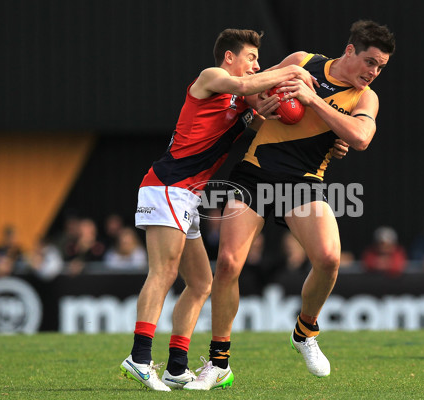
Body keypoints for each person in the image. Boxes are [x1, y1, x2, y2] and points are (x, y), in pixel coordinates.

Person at [184, 20, 395, 390]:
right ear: (350, 51)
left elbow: (361, 138)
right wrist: (263, 106)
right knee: (230, 263)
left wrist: (314, 102)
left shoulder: (365, 98)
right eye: (370, 62)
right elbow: (250, 93)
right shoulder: (304, 61)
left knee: (329, 259)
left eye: (380, 67)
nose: (374, 72)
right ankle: (219, 364)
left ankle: (305, 331)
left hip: (303, 183)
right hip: (255, 172)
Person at [119, 28, 320, 391]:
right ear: (230, 57)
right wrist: (292, 71)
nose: (255, 65)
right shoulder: (211, 78)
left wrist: (326, 142)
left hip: (188, 196)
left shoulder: (242, 102)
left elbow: (268, 120)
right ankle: (139, 357)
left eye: (258, 60)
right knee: (163, 273)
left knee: (200, 283)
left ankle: (177, 366)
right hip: (168, 186)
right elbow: (247, 88)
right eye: (251, 58)